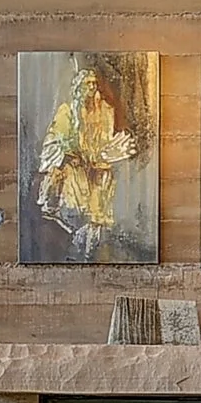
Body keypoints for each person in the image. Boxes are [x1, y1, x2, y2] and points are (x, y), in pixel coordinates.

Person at [36, 64, 138, 258]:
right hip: (73, 169)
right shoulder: (67, 112)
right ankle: (77, 231)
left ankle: (93, 235)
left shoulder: (105, 111)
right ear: (78, 87)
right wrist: (87, 155)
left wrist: (106, 154)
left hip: (96, 168)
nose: (92, 88)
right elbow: (57, 144)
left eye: (94, 84)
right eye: (87, 84)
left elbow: (103, 145)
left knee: (104, 178)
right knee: (72, 177)